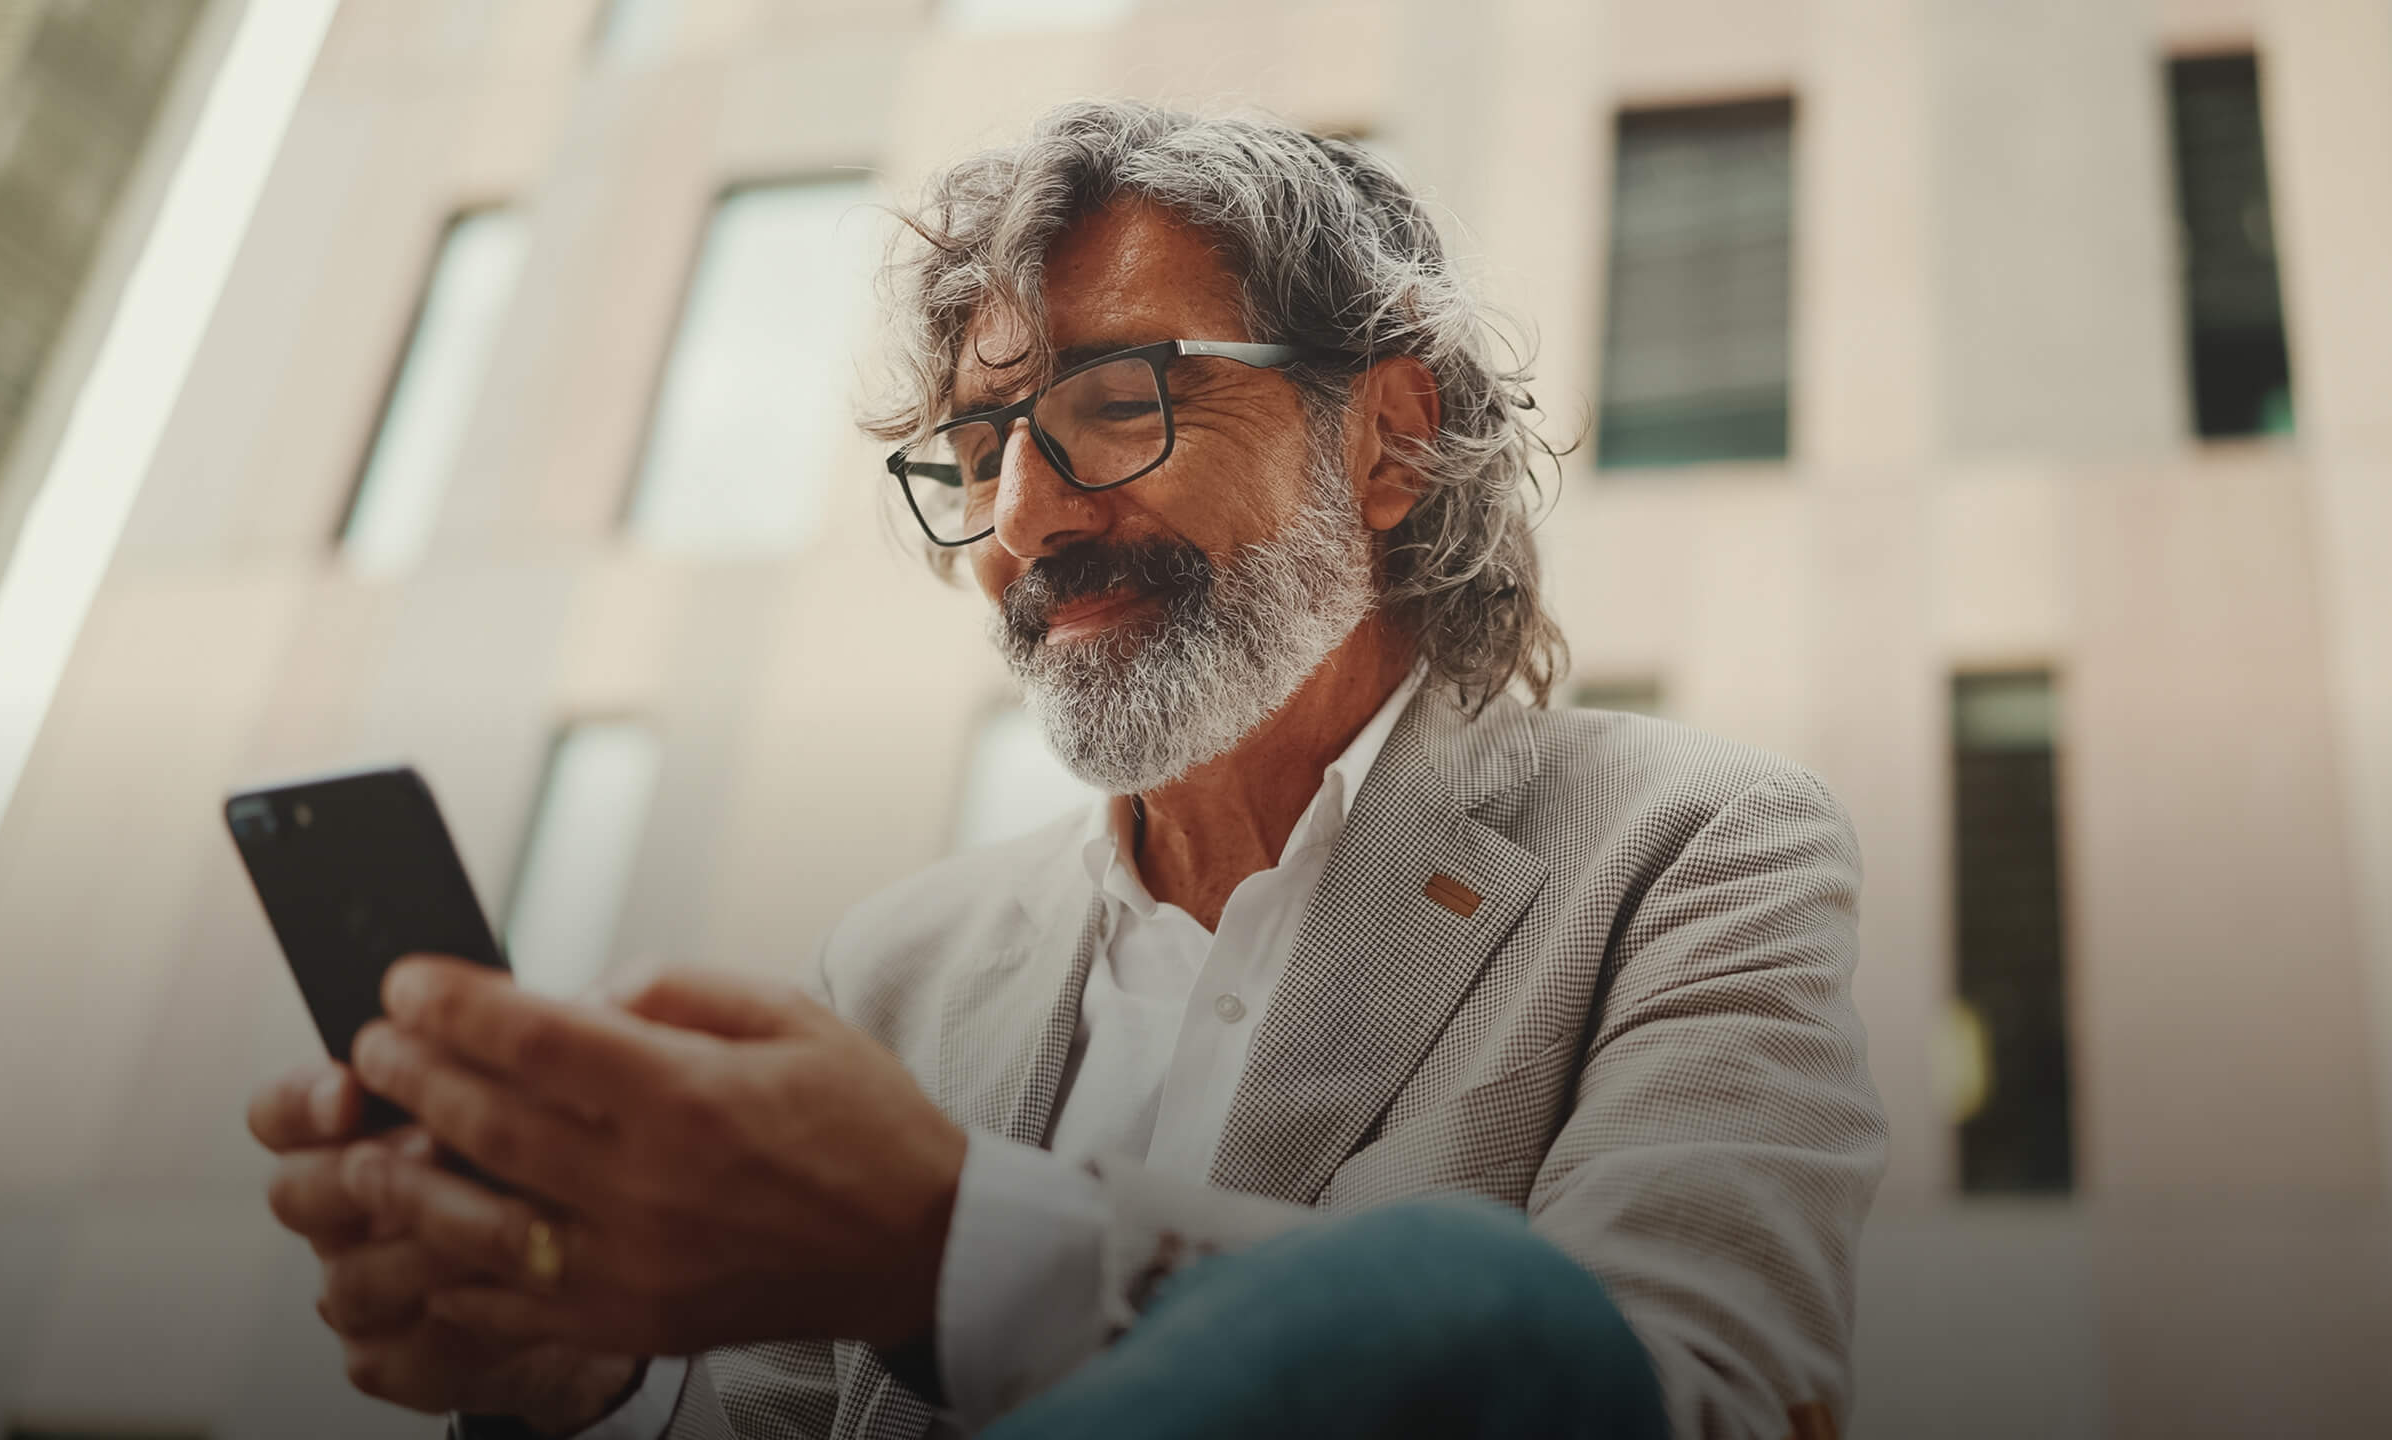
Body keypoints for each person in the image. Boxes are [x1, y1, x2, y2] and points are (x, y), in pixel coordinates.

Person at [246, 100, 1886, 1439]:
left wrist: (950, 1248)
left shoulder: (1693, 849)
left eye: (1119, 403)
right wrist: (579, 1383)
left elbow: (1680, 1400)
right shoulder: (891, 972)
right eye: (975, 448)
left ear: (1385, 438)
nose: (1023, 513)